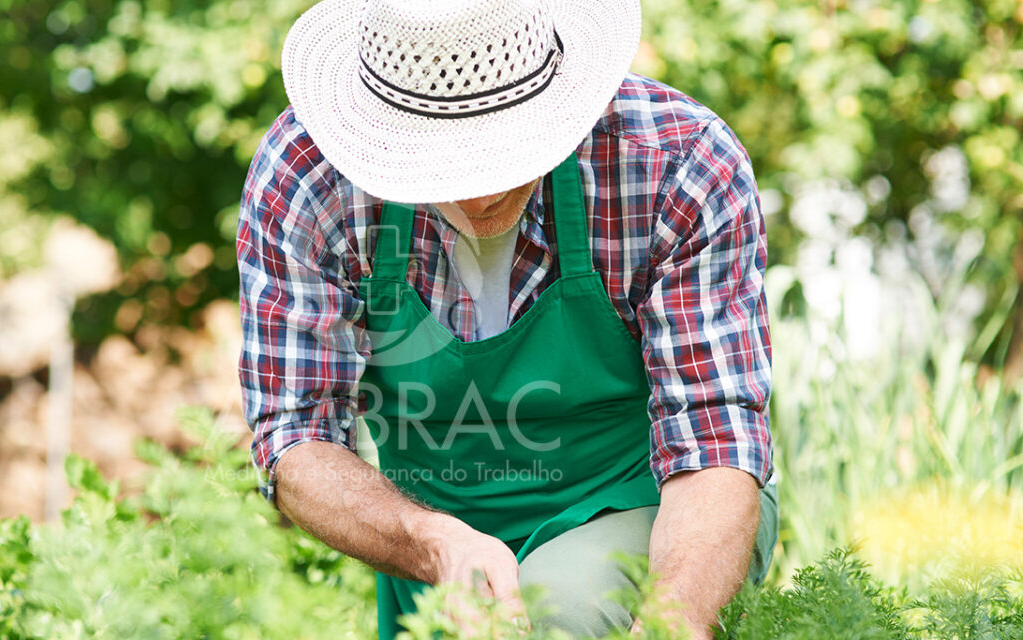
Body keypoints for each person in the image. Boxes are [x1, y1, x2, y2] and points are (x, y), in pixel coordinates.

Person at [236, 0, 778, 637]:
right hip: (437, 546)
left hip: (660, 512)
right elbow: (297, 437)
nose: (479, 192)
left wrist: (673, 621)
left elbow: (716, 442)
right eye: (438, 157)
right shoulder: (307, 178)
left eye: (502, 149)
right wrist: (433, 542)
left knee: (559, 607)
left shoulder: (676, 162)